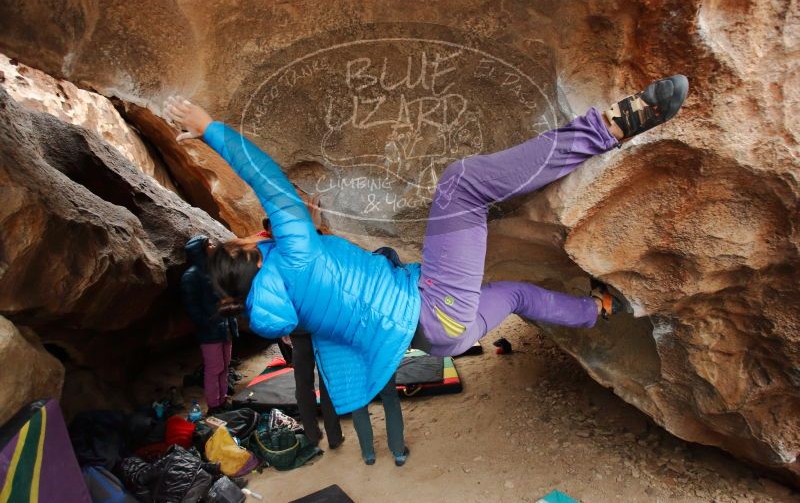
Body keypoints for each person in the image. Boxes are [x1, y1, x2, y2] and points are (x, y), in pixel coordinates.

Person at [164, 75, 689, 417]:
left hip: (444, 340)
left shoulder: (276, 311)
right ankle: (607, 129)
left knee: (517, 295)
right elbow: (269, 183)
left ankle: (600, 308)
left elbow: (337, 300)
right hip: (438, 307)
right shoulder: (295, 255)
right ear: (252, 252)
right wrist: (209, 127)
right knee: (462, 184)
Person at [180, 235, 239, 415]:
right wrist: (207, 323)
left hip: (226, 326)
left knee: (225, 366)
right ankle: (214, 405)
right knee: (214, 368)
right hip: (210, 330)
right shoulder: (191, 276)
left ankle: (223, 400)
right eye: (209, 244)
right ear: (201, 251)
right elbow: (192, 306)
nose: (214, 246)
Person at [351, 374, 408, 466]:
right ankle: (399, 453)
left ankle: (368, 454)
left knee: (358, 404)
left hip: (355, 364)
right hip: (381, 361)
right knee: (390, 399)